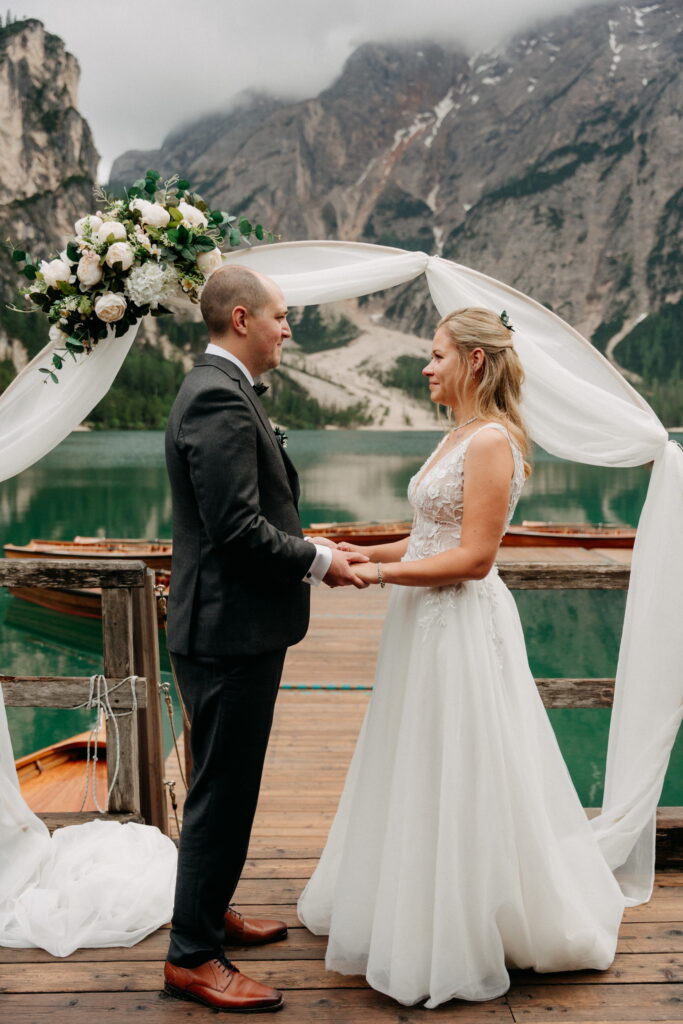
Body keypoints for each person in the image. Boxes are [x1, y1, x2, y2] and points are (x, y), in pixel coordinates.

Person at [298, 307, 625, 1008]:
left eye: (438, 354)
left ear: (474, 361)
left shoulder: (490, 443)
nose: (426, 366)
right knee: (420, 758)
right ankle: (418, 902)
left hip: (458, 623)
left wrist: (376, 577)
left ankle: (473, 918)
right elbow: (427, 536)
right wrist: (361, 550)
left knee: (468, 760)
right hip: (422, 621)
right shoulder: (457, 436)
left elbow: (473, 559)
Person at [163, 265, 368, 1013]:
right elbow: (236, 529)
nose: (289, 329)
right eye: (282, 317)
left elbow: (249, 513)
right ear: (242, 318)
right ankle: (191, 957)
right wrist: (319, 561)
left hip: (229, 627)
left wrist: (308, 541)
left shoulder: (226, 390)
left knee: (228, 784)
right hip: (226, 633)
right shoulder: (217, 395)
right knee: (221, 792)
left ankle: (207, 912)